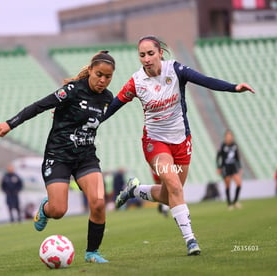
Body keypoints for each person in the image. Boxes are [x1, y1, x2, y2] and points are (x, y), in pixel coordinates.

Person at [102, 35, 255, 256]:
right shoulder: (136, 82)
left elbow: (205, 80)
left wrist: (234, 87)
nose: (146, 59)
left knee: (171, 193)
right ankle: (191, 240)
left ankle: (135, 190)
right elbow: (113, 106)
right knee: (174, 187)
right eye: (142, 55)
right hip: (155, 143)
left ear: (160, 53)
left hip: (182, 142)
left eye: (150, 53)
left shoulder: (174, 70)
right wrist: (86, 122)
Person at [0, 50, 115, 263]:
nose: (103, 80)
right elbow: (40, 106)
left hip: (86, 156)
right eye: (99, 75)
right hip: (58, 155)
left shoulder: (107, 98)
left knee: (97, 202)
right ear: (90, 72)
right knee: (58, 210)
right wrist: (9, 124)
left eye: (108, 77)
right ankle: (45, 208)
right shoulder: (72, 90)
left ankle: (92, 253)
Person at [216, 130, 243, 210]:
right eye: (227, 136)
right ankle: (229, 203)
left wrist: (240, 167)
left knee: (239, 183)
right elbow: (218, 157)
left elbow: (237, 157)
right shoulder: (223, 146)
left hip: (234, 167)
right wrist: (218, 167)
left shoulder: (234, 145)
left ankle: (235, 201)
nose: (229, 138)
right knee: (228, 185)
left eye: (230, 136)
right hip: (225, 167)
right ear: (225, 137)